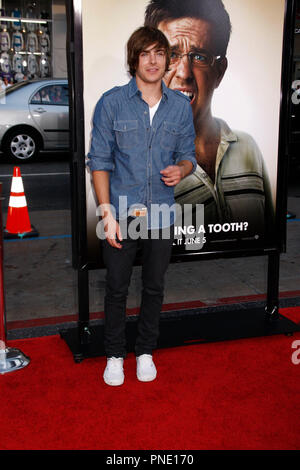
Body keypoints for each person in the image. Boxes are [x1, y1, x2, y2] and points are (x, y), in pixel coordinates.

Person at [87, 26, 196, 386]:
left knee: (154, 286)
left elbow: (188, 157)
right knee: (117, 287)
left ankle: (145, 351)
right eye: (145, 53)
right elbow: (99, 162)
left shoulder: (180, 107)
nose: (153, 60)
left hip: (162, 211)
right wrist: (106, 212)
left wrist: (181, 169)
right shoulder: (112, 102)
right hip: (119, 212)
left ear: (167, 59)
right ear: (134, 59)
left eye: (159, 53)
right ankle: (115, 355)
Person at [145, 0, 274, 242]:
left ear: (220, 71)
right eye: (171, 55)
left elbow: (266, 231)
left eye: (199, 56)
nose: (184, 72)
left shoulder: (247, 147)